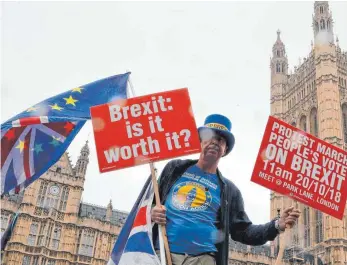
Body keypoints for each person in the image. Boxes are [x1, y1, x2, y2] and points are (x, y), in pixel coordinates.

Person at [151, 114, 301, 265]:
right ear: (200, 141)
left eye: (220, 140)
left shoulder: (229, 190)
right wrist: (151, 213)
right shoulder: (175, 169)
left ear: (225, 149)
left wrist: (277, 225)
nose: (215, 142)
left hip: (203, 259)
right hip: (164, 253)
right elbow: (147, 203)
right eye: (210, 136)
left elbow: (243, 231)